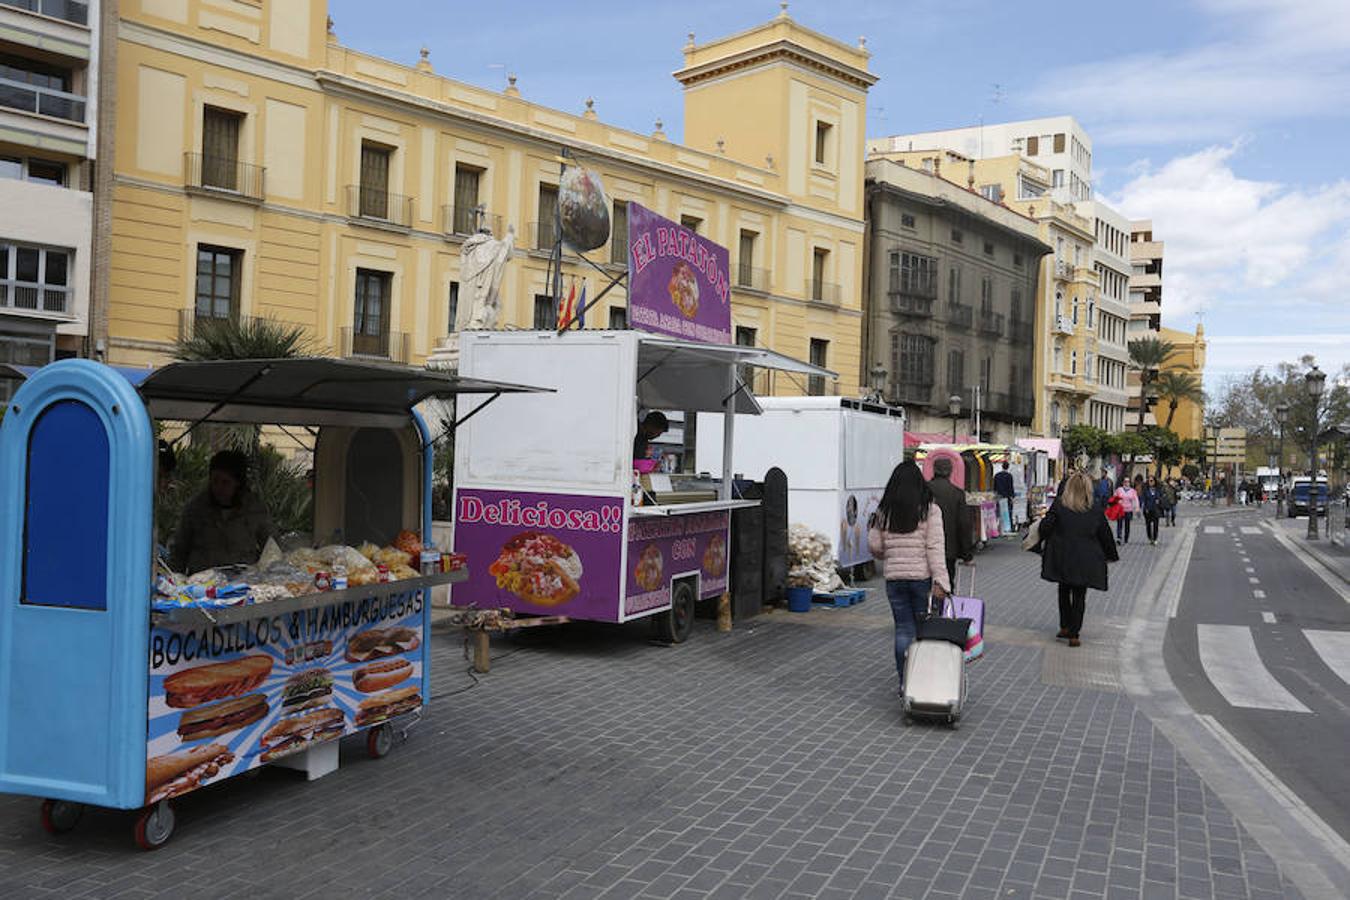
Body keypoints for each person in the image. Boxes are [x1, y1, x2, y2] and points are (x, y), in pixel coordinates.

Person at [868, 461, 950, 692]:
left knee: (903, 630)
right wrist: (941, 581)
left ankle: (904, 682)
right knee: (923, 631)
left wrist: (889, 553)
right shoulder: (930, 510)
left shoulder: (884, 512)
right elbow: (934, 548)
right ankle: (921, 680)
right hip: (920, 579)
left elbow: (874, 546)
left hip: (894, 579)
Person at [1039, 470, 1118, 647]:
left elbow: (1046, 527)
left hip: (1063, 556)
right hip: (1086, 558)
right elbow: (1105, 534)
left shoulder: (1060, 505)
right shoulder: (1095, 508)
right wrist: (1111, 555)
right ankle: (1075, 633)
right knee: (1080, 595)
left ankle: (1065, 626)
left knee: (1063, 591)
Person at [169, 450, 274, 574]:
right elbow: (180, 549)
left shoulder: (255, 509)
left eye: (225, 482)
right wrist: (176, 578)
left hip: (242, 581)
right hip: (203, 582)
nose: (219, 488)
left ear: (238, 483)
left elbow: (271, 548)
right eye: (215, 481)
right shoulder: (196, 508)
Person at [928, 456, 974, 588]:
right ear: (950, 471)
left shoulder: (923, 489)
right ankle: (945, 606)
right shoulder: (957, 493)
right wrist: (967, 554)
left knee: (927, 585)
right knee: (946, 584)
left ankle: (929, 606)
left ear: (934, 470)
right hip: (949, 548)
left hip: (926, 547)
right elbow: (964, 524)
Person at [1113, 476, 1139, 544]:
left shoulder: (1132, 491)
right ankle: (1119, 537)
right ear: (1123, 482)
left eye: (1128, 481)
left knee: (1127, 525)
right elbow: (1114, 497)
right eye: (1125, 481)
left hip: (1128, 510)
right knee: (1119, 524)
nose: (1127, 483)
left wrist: (1137, 508)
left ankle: (1126, 537)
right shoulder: (1119, 489)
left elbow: (1136, 499)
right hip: (1120, 509)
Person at [1140, 476, 1163, 545]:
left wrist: (1159, 500)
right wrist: (1144, 507)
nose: (1151, 482)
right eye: (1149, 481)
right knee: (1148, 525)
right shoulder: (1145, 490)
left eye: (1152, 481)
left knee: (1156, 525)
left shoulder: (1158, 490)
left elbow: (1161, 497)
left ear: (1155, 481)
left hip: (1156, 509)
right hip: (1148, 509)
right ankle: (1150, 538)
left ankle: (1155, 538)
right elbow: (1143, 499)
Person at [994, 461, 1016, 534]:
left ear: (1002, 466)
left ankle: (998, 527)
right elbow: (1010, 487)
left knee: (998, 512)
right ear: (1008, 467)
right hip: (1006, 497)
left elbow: (994, 487)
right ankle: (1007, 528)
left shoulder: (997, 475)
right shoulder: (1009, 476)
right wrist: (1012, 496)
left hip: (998, 496)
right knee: (1007, 512)